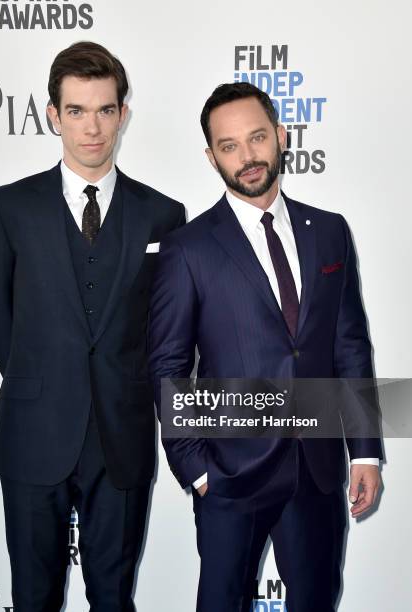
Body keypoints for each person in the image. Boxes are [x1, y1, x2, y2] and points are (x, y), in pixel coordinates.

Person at [148, 82, 382, 612]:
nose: (247, 156)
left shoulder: (329, 232)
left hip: (318, 472)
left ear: (279, 136)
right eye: (229, 146)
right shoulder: (188, 249)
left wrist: (364, 449)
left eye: (256, 138)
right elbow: (168, 366)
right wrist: (197, 470)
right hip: (230, 474)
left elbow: (350, 345)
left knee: (317, 601)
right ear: (212, 158)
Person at [0, 41, 184, 612]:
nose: (92, 128)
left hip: (122, 435)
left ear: (122, 113)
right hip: (32, 433)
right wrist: (42, 379)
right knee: (33, 598)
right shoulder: (10, 208)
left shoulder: (162, 214)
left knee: (113, 599)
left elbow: (167, 330)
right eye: (76, 111)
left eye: (105, 110)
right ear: (52, 115)